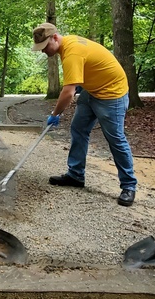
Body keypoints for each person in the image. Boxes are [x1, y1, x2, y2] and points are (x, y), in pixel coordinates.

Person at [30, 23, 137, 206]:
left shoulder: (72, 52)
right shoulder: (67, 45)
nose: (43, 51)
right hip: (92, 91)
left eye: (45, 46)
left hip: (112, 95)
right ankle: (76, 175)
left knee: (115, 139)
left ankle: (129, 186)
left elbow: (68, 92)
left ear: (55, 38)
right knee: (78, 129)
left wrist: (55, 113)